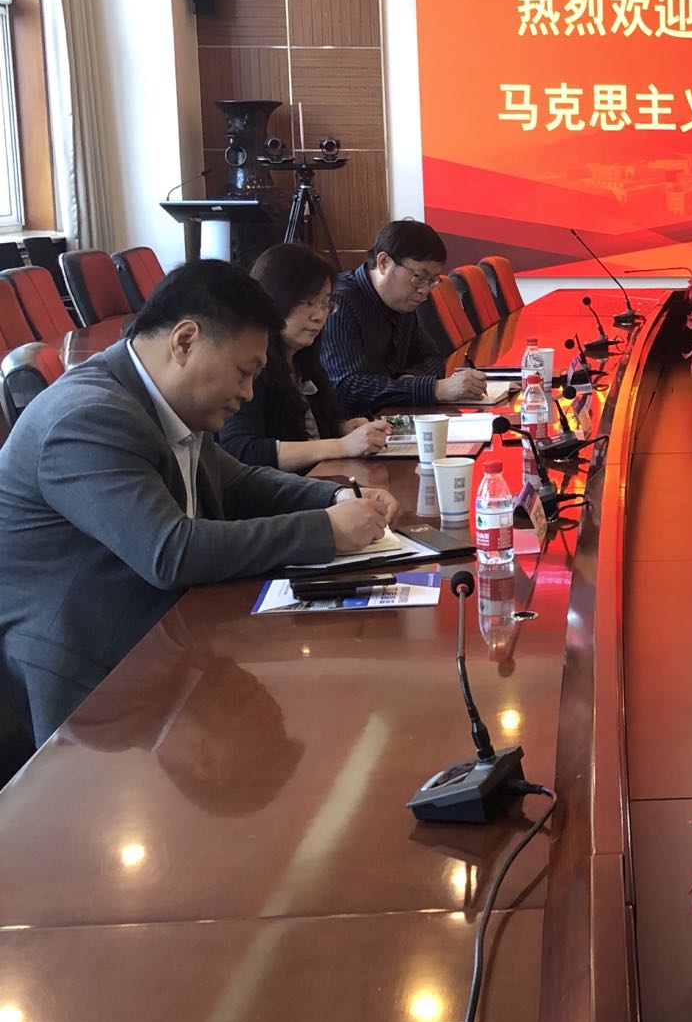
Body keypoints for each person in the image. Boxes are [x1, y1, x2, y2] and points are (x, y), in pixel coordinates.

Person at [0, 260, 399, 748]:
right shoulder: (90, 417)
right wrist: (326, 530)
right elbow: (171, 551)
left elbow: (236, 483)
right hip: (98, 687)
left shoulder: (163, 401)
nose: (248, 393)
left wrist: (336, 495)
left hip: (172, 637)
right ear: (185, 341)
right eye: (244, 372)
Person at [218, 243, 391, 470]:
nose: (319, 315)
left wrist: (339, 430)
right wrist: (340, 445)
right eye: (308, 302)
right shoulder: (252, 367)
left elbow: (302, 438)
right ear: (274, 298)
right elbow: (242, 451)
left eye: (326, 304)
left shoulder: (303, 361)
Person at [320, 218, 488, 410]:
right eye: (419, 277)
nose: (424, 290)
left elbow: (433, 359)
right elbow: (347, 387)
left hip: (394, 416)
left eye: (432, 281)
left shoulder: (403, 302)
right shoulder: (338, 302)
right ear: (384, 262)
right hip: (355, 424)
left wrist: (409, 382)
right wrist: (434, 389)